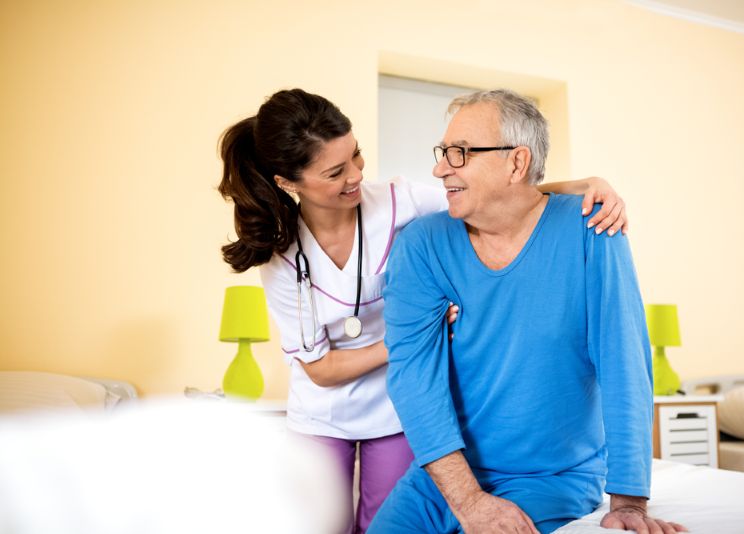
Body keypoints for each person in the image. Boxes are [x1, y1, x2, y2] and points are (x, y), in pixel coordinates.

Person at [217, 88, 630, 534]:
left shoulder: (400, 202)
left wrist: (581, 186)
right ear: (289, 182)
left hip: (394, 412)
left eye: (356, 156)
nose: (356, 174)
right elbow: (319, 368)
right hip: (324, 412)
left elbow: (492, 196)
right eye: (336, 171)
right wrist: (410, 342)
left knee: (380, 517)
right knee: (318, 522)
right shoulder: (280, 254)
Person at [371, 89, 688, 534]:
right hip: (441, 480)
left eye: (459, 154)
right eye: (443, 152)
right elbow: (413, 378)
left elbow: (623, 362)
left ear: (516, 163)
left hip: (551, 479)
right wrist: (468, 500)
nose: (440, 168)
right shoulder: (421, 244)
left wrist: (629, 501)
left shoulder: (592, 228)